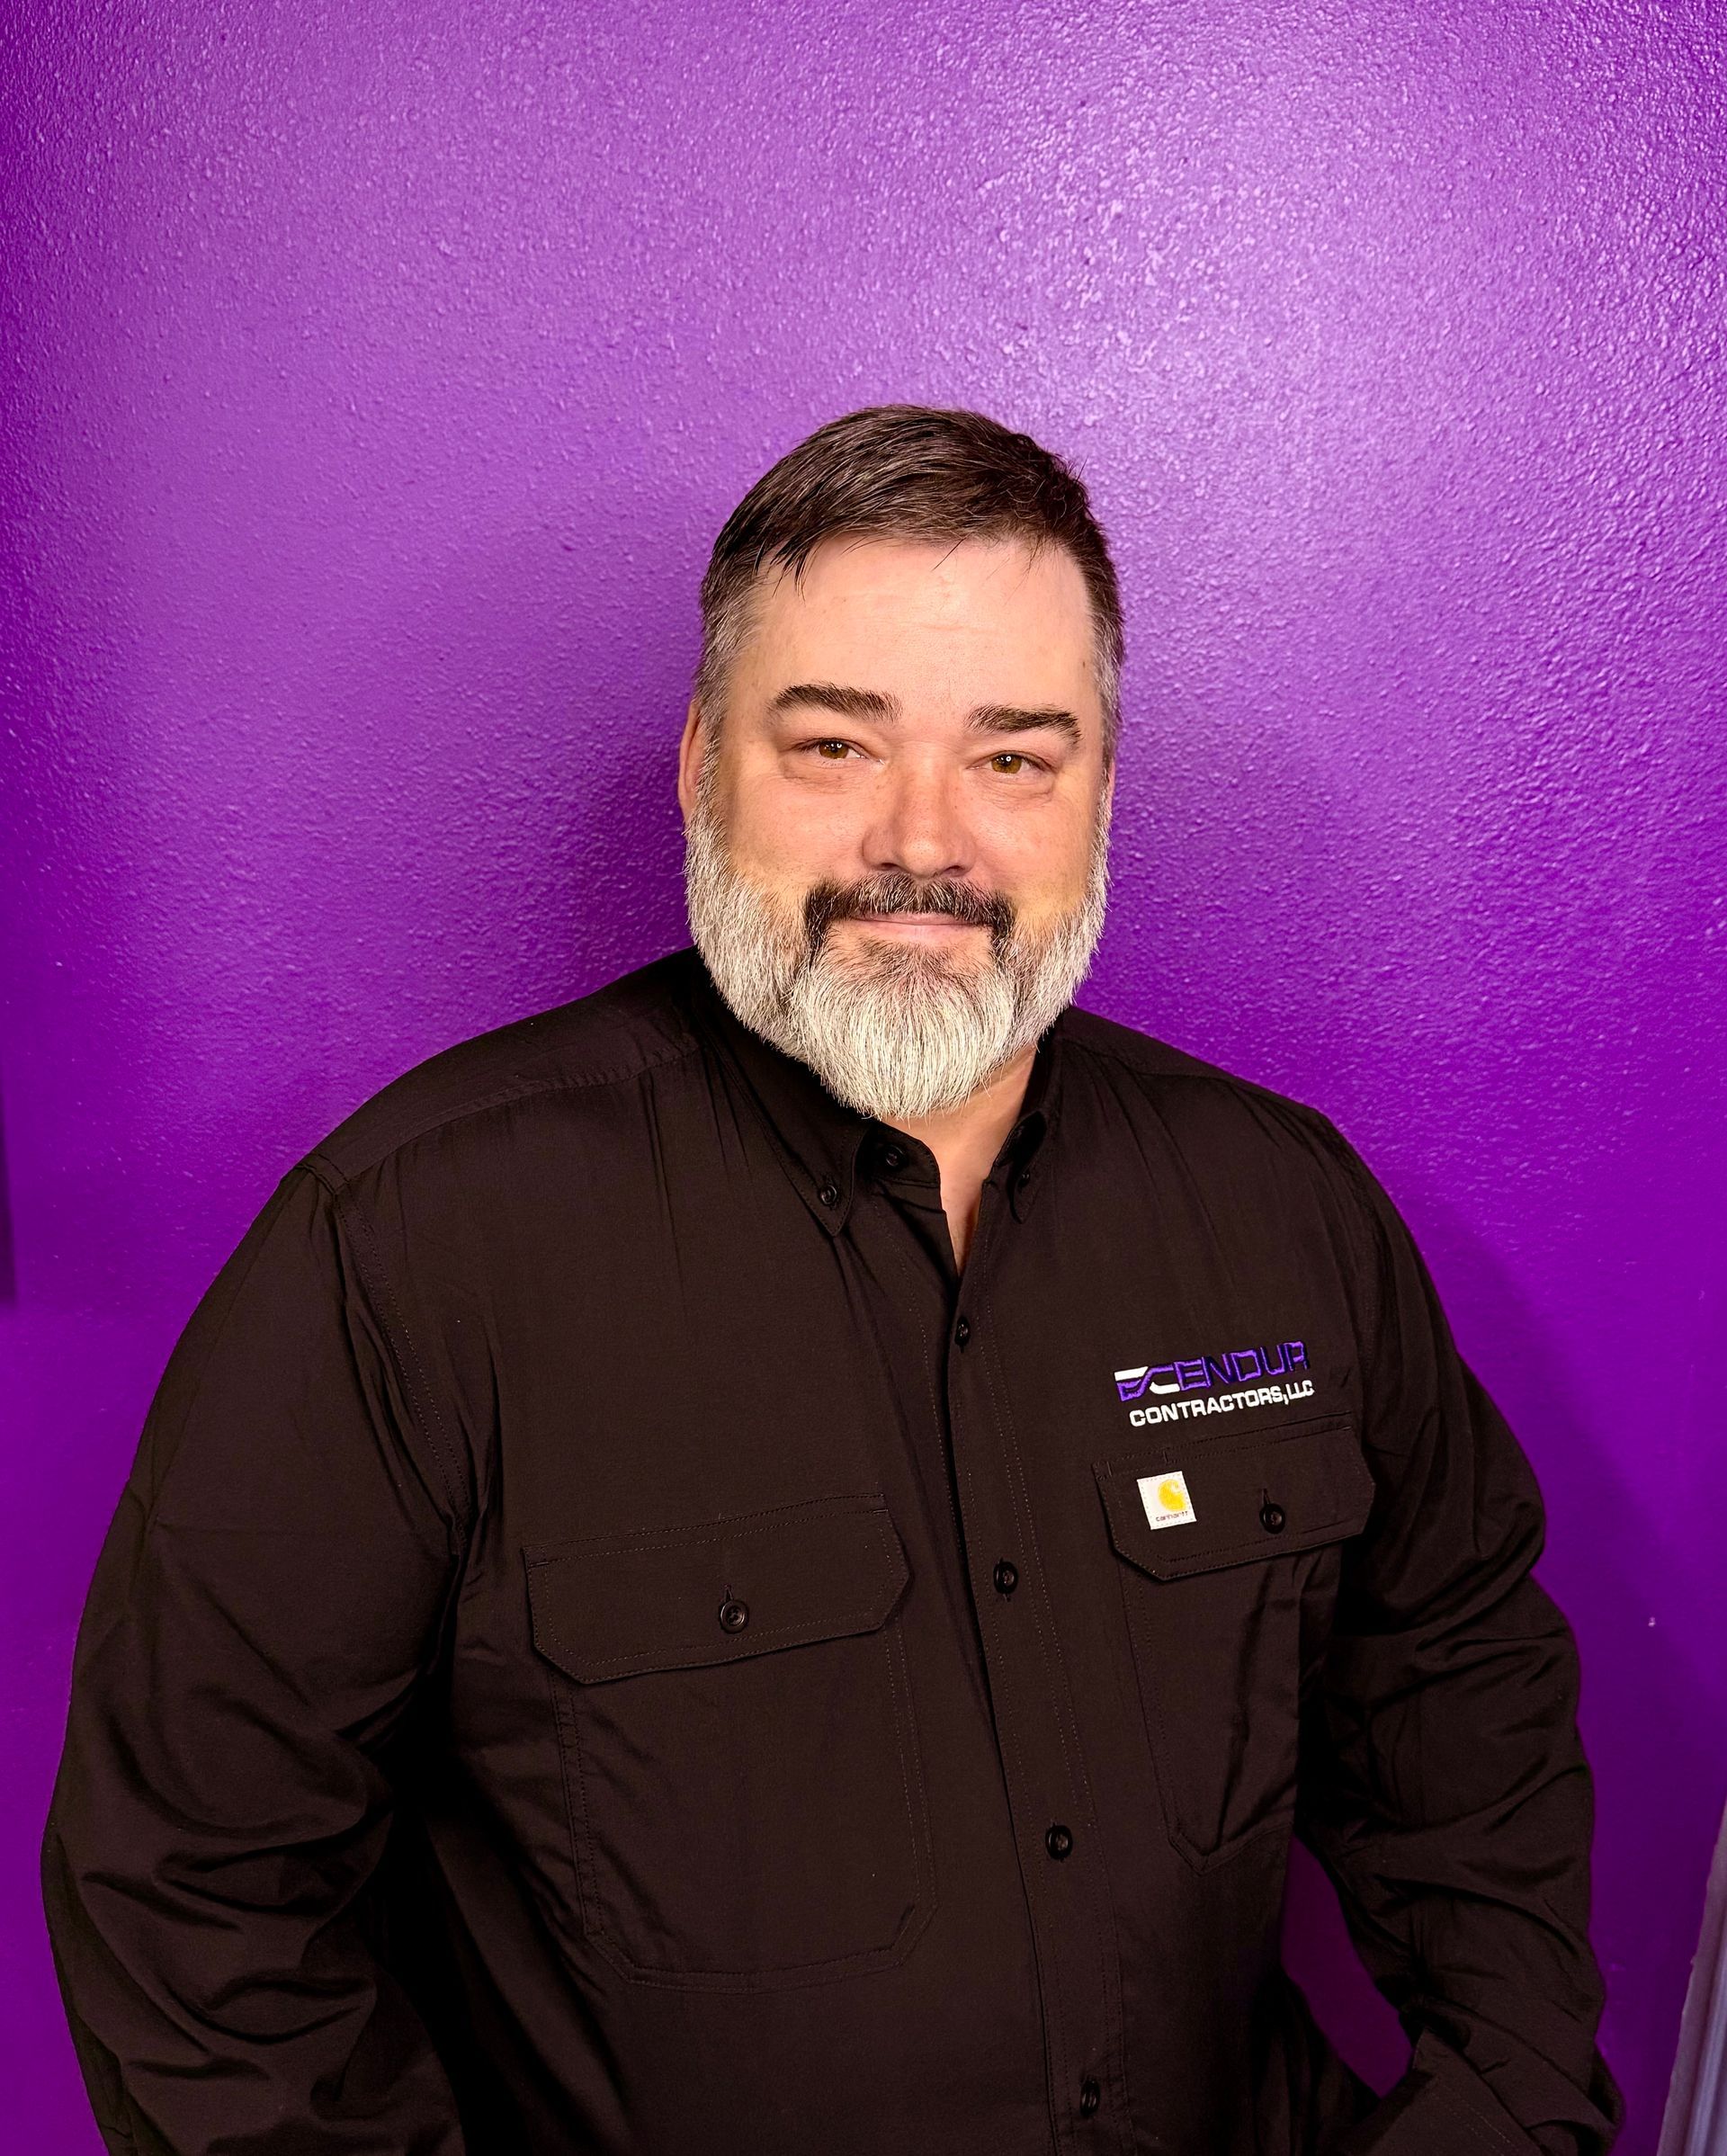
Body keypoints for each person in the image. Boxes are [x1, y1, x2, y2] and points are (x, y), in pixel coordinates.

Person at [42, 406, 1623, 2156]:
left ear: (1102, 788)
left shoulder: (1281, 1204)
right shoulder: (414, 1245)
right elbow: (193, 1885)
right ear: (703, 763)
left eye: (1015, 755)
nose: (922, 840)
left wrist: (1501, 2115)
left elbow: (1464, 1704)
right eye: (834, 745)